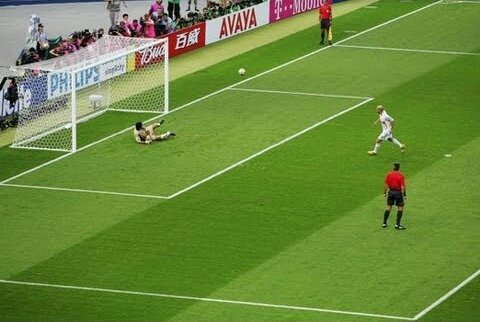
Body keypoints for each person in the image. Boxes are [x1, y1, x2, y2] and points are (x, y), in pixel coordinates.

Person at [382, 162, 407, 230]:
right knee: (400, 207)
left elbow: (385, 184)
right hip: (398, 193)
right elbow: (403, 186)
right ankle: (397, 225)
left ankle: (384, 223)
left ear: (393, 167)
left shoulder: (389, 174)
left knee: (388, 207)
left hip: (391, 192)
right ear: (399, 168)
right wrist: (404, 195)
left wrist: (384, 193)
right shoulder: (401, 175)